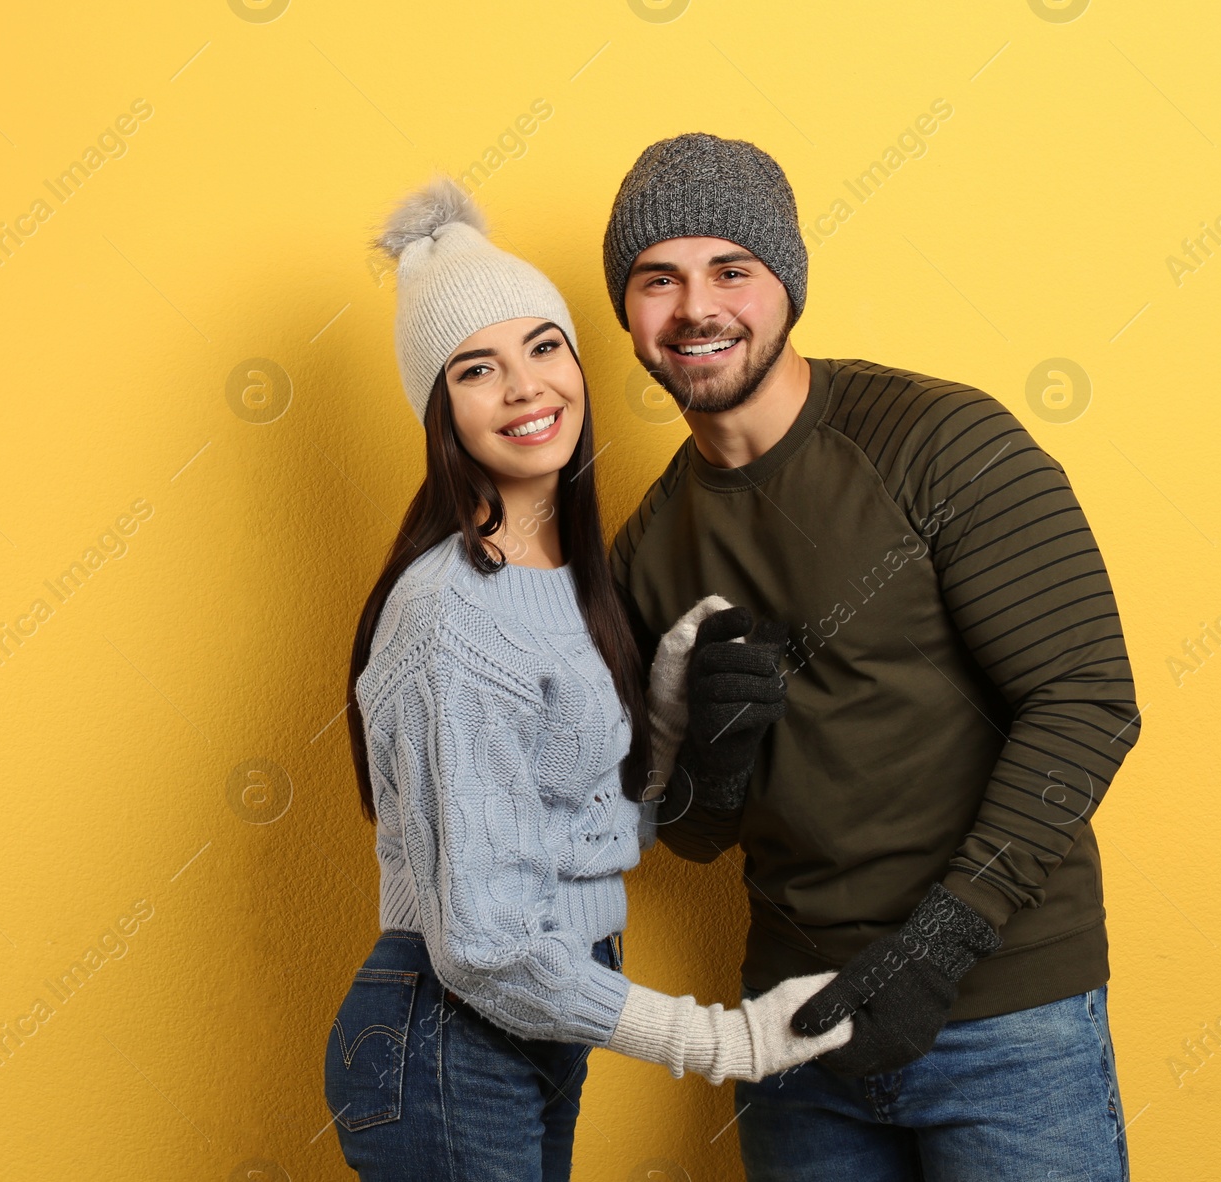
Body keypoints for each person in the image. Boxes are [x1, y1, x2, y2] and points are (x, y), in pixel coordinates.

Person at [601, 133, 1142, 1180]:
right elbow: (691, 835)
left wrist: (943, 943)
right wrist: (710, 764)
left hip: (1005, 1019)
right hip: (794, 1033)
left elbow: (1084, 701)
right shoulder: (646, 546)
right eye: (656, 279)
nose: (695, 309)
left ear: (786, 286)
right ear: (627, 315)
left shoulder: (937, 442)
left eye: (731, 271)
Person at [324, 175, 851, 1182]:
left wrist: (658, 710)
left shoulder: (571, 584)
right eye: (476, 369)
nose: (526, 388)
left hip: (532, 1020)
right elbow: (482, 945)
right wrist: (717, 1042)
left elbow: (576, 834)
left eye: (544, 346)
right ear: (437, 410)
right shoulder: (449, 615)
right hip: (451, 1032)